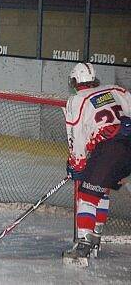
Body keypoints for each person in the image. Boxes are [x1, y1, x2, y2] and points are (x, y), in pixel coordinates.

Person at [62, 62, 131, 265]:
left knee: (86, 195)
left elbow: (77, 136)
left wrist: (76, 164)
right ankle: (96, 239)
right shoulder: (114, 89)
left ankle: (83, 246)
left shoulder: (76, 100)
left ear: (74, 81)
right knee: (101, 188)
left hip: (111, 150)